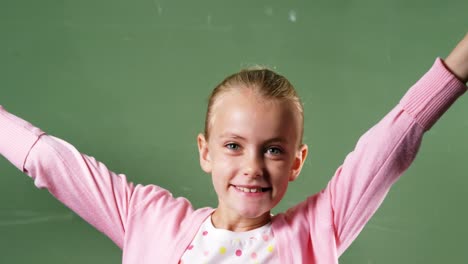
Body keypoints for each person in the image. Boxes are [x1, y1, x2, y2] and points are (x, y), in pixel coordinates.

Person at [1, 33, 467, 263]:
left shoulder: (317, 231)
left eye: (274, 150)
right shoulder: (147, 219)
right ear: (205, 151)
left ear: (297, 162)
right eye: (232, 145)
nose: (252, 167)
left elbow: (392, 142)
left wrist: (457, 69)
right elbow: (47, 159)